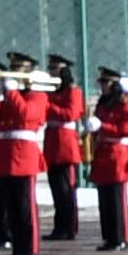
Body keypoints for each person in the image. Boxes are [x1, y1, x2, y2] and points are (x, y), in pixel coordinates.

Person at [0, 62, 47, 255]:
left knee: (25, 207)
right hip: (6, 155)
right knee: (12, 207)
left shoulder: (38, 95)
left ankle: (29, 249)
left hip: (24, 155)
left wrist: (12, 93)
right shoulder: (11, 97)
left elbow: (25, 114)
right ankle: (18, 248)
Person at [88, 67, 128, 250]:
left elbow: (126, 130)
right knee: (104, 199)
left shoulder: (126, 104)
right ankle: (109, 237)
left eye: (106, 82)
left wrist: (103, 126)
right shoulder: (103, 103)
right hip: (103, 151)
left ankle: (120, 237)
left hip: (118, 152)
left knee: (117, 198)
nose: (102, 86)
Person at [42, 57, 87, 240]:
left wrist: (48, 106)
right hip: (52, 143)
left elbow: (71, 114)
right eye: (50, 68)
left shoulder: (73, 91)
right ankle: (59, 227)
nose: (52, 72)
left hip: (66, 145)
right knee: (56, 190)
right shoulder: (49, 91)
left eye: (55, 68)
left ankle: (69, 227)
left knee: (66, 190)